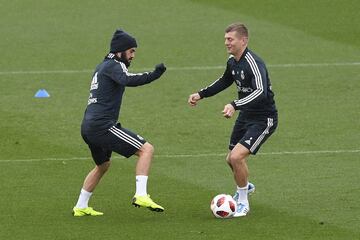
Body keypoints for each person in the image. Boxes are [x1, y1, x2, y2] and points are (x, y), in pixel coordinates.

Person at [73, 29, 167, 216]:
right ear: (119, 51)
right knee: (146, 149)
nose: (133, 56)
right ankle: (141, 194)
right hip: (102, 126)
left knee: (103, 165)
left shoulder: (102, 66)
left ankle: (81, 206)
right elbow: (127, 80)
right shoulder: (114, 65)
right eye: (131, 51)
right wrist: (154, 74)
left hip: (89, 126)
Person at [188, 22, 278, 217]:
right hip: (246, 115)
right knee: (230, 159)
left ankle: (243, 201)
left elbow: (261, 92)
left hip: (264, 118)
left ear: (243, 40)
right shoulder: (233, 61)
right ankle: (245, 185)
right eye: (225, 39)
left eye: (230, 39)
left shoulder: (254, 62)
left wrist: (234, 104)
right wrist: (201, 94)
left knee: (237, 157)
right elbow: (224, 81)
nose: (226, 43)